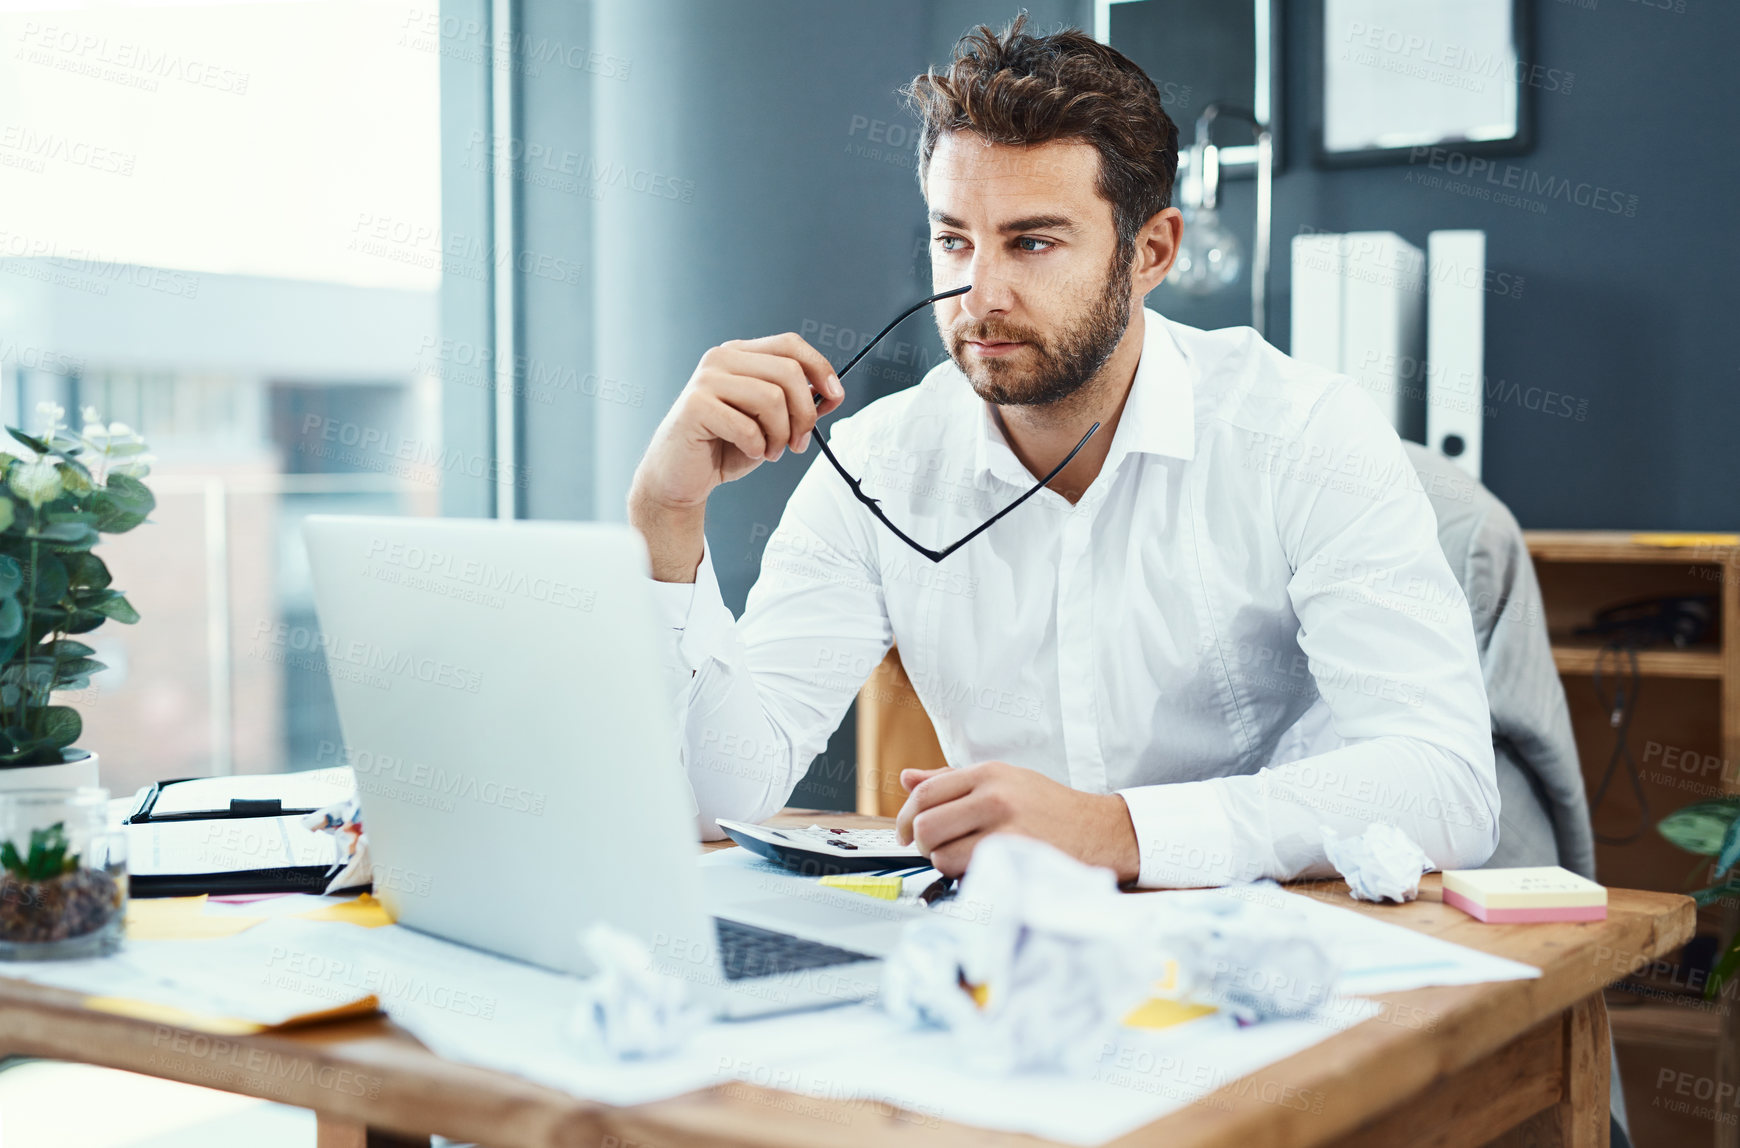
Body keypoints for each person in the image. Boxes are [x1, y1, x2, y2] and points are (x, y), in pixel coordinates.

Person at [627, 15, 1499, 887]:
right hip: (1008, 959)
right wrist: (667, 519)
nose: (982, 297)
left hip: (1277, 947)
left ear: (1150, 251)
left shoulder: (1305, 433)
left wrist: (1112, 831)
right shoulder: (877, 465)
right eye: (954, 240)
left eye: (1033, 242)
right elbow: (719, 798)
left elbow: (1448, 786)